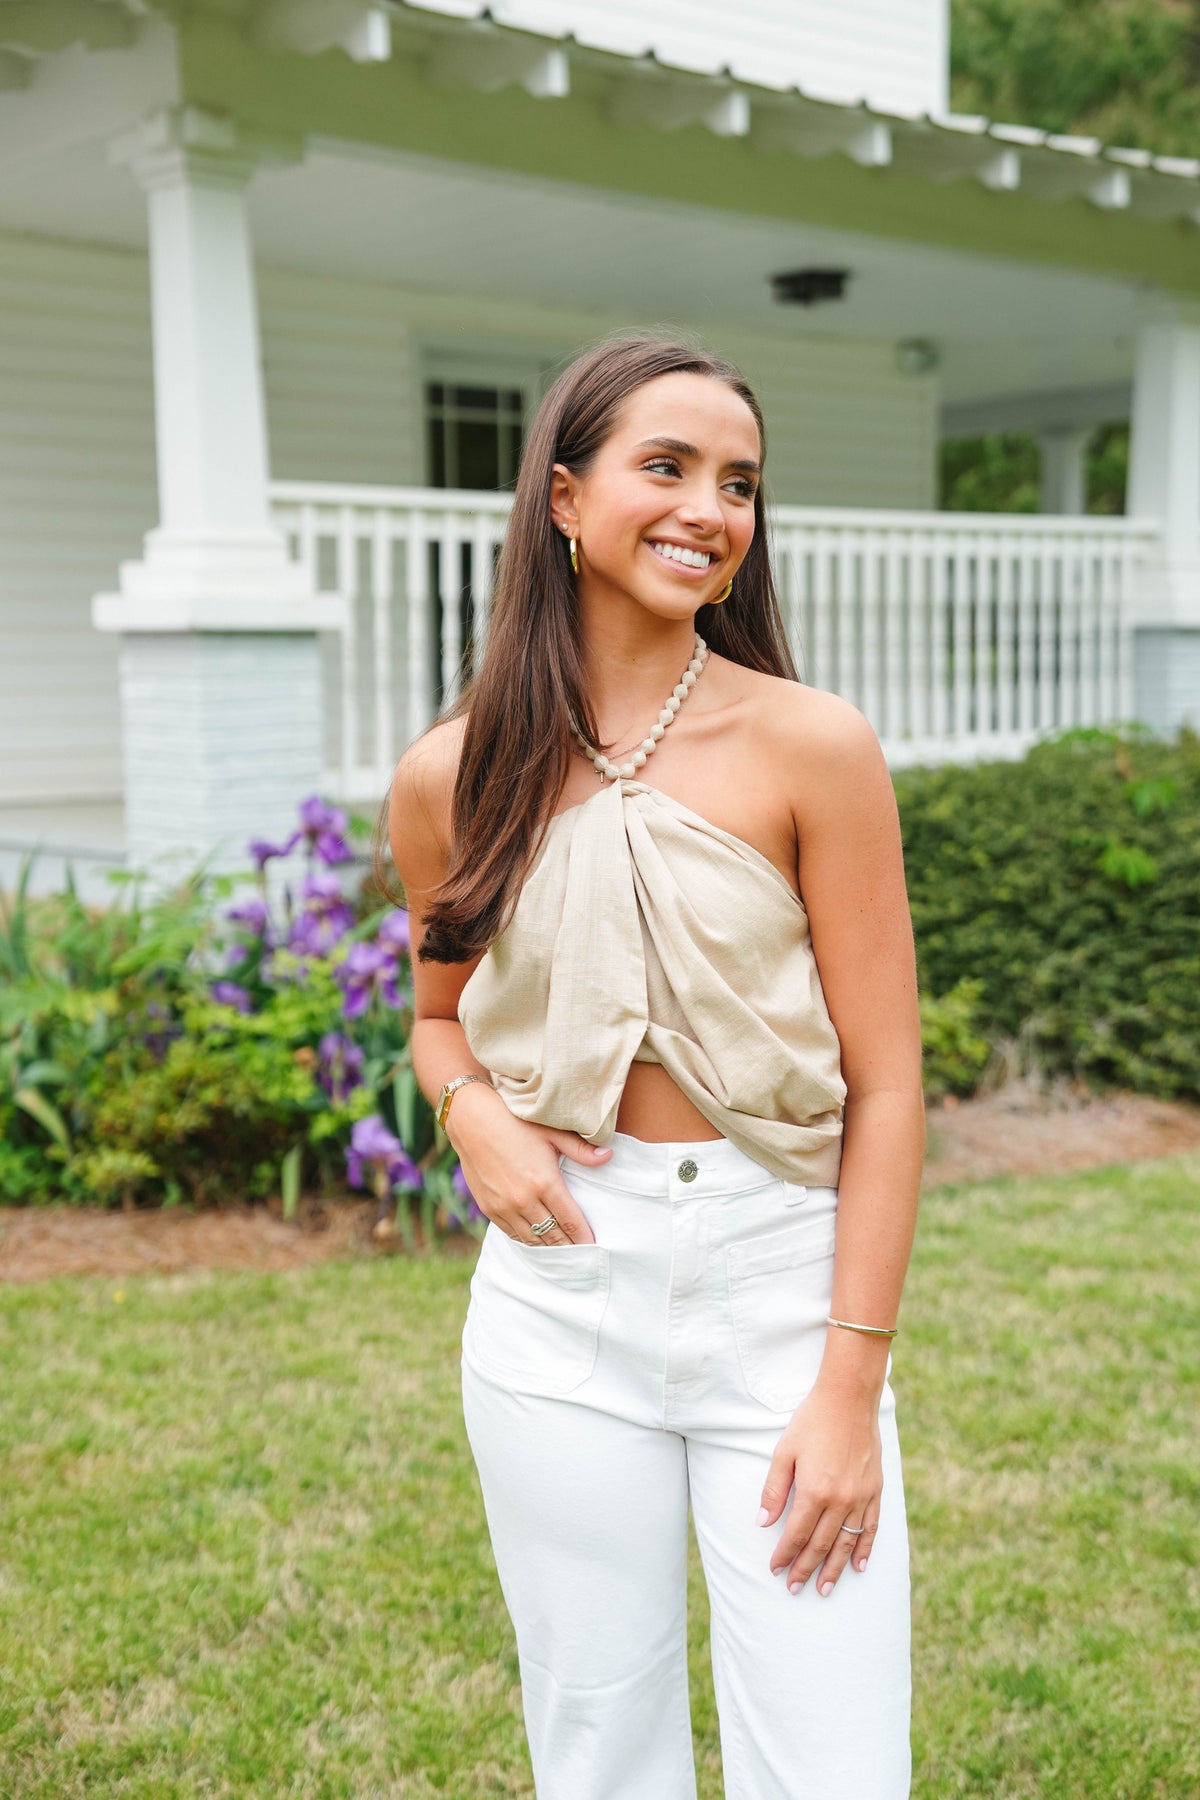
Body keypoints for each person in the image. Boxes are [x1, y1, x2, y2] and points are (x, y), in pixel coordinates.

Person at [384, 335, 924, 1800]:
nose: (711, 508)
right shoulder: (455, 772)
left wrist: (847, 1390)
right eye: (667, 467)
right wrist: (471, 1113)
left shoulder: (813, 747)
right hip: (561, 1306)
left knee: (835, 1764)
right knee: (599, 1747)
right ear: (564, 498)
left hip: (776, 1283)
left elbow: (886, 1089)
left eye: (740, 482)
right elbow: (439, 1016)